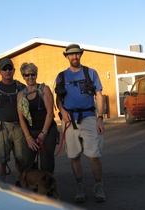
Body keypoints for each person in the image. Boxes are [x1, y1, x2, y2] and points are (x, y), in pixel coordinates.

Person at [55, 44, 106, 203]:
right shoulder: (61, 76)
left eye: (77, 54)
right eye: (71, 55)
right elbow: (58, 98)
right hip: (70, 120)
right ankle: (80, 187)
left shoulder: (90, 73)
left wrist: (100, 118)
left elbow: (99, 95)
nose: (74, 57)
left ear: (80, 55)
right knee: (74, 156)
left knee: (94, 156)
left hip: (90, 118)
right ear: (67, 57)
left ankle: (98, 186)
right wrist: (62, 111)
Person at [17, 62, 58, 174]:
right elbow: (21, 118)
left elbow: (50, 113)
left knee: (46, 164)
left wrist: (43, 134)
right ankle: (33, 188)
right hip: (31, 132)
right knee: (28, 163)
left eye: (32, 74)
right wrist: (28, 138)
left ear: (36, 74)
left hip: (47, 130)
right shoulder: (21, 95)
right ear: (23, 76)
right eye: (27, 75)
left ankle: (48, 189)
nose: (30, 77)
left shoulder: (44, 89)